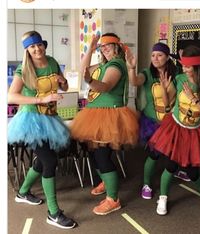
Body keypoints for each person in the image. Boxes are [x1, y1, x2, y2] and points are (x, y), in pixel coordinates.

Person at [8, 31, 77, 229]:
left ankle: (22, 193)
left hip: (50, 118)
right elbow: (11, 97)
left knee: (44, 159)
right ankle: (53, 213)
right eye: (32, 47)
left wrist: (63, 83)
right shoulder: (24, 69)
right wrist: (41, 99)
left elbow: (63, 87)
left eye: (39, 44)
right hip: (30, 120)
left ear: (43, 45)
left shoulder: (52, 61)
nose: (37, 49)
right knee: (50, 160)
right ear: (27, 50)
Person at [70, 33, 139, 215]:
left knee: (102, 156)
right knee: (93, 154)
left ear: (117, 46)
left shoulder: (116, 64)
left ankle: (113, 199)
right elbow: (82, 69)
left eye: (108, 45)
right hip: (95, 114)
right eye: (103, 46)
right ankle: (107, 182)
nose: (104, 48)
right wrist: (91, 47)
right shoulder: (103, 64)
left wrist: (89, 81)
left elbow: (105, 86)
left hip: (110, 116)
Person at [149, 45, 200, 215]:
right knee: (171, 165)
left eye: (187, 66)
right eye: (183, 66)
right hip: (176, 127)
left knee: (191, 170)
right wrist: (165, 89)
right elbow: (168, 104)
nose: (184, 69)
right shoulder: (180, 79)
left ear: (197, 66)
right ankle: (163, 198)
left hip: (194, 131)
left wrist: (193, 98)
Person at [125, 42, 177, 199]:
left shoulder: (177, 74)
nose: (155, 58)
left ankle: (176, 169)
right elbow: (134, 81)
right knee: (154, 154)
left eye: (159, 55)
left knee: (173, 152)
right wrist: (132, 68)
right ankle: (146, 184)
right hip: (152, 122)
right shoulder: (147, 73)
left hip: (172, 121)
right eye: (153, 55)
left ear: (167, 58)